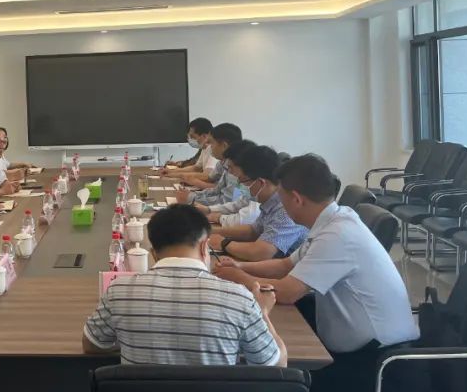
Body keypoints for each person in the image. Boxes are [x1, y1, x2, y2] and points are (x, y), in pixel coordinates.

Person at [214, 155, 418, 392]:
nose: (280, 204)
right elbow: (284, 266)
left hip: (379, 359)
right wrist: (238, 267)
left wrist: (241, 279)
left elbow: (288, 291)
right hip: (358, 344)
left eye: (281, 197)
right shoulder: (332, 221)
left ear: (296, 198)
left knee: (295, 389)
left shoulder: (339, 234)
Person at [82, 204, 285, 366]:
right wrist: (263, 312)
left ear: (153, 253)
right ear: (204, 246)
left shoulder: (119, 292)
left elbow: (92, 344)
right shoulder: (239, 299)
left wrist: (132, 337)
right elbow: (277, 365)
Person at [207, 144, 308, 261]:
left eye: (243, 181)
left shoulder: (285, 207)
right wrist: (211, 230)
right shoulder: (270, 201)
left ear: (261, 182)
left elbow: (262, 252)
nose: (241, 187)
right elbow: (253, 231)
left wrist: (223, 243)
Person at [165, 123, 242, 189]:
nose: (210, 146)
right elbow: (210, 179)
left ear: (224, 146)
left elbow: (224, 194)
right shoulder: (222, 163)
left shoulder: (239, 168)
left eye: (212, 143)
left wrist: (195, 184)